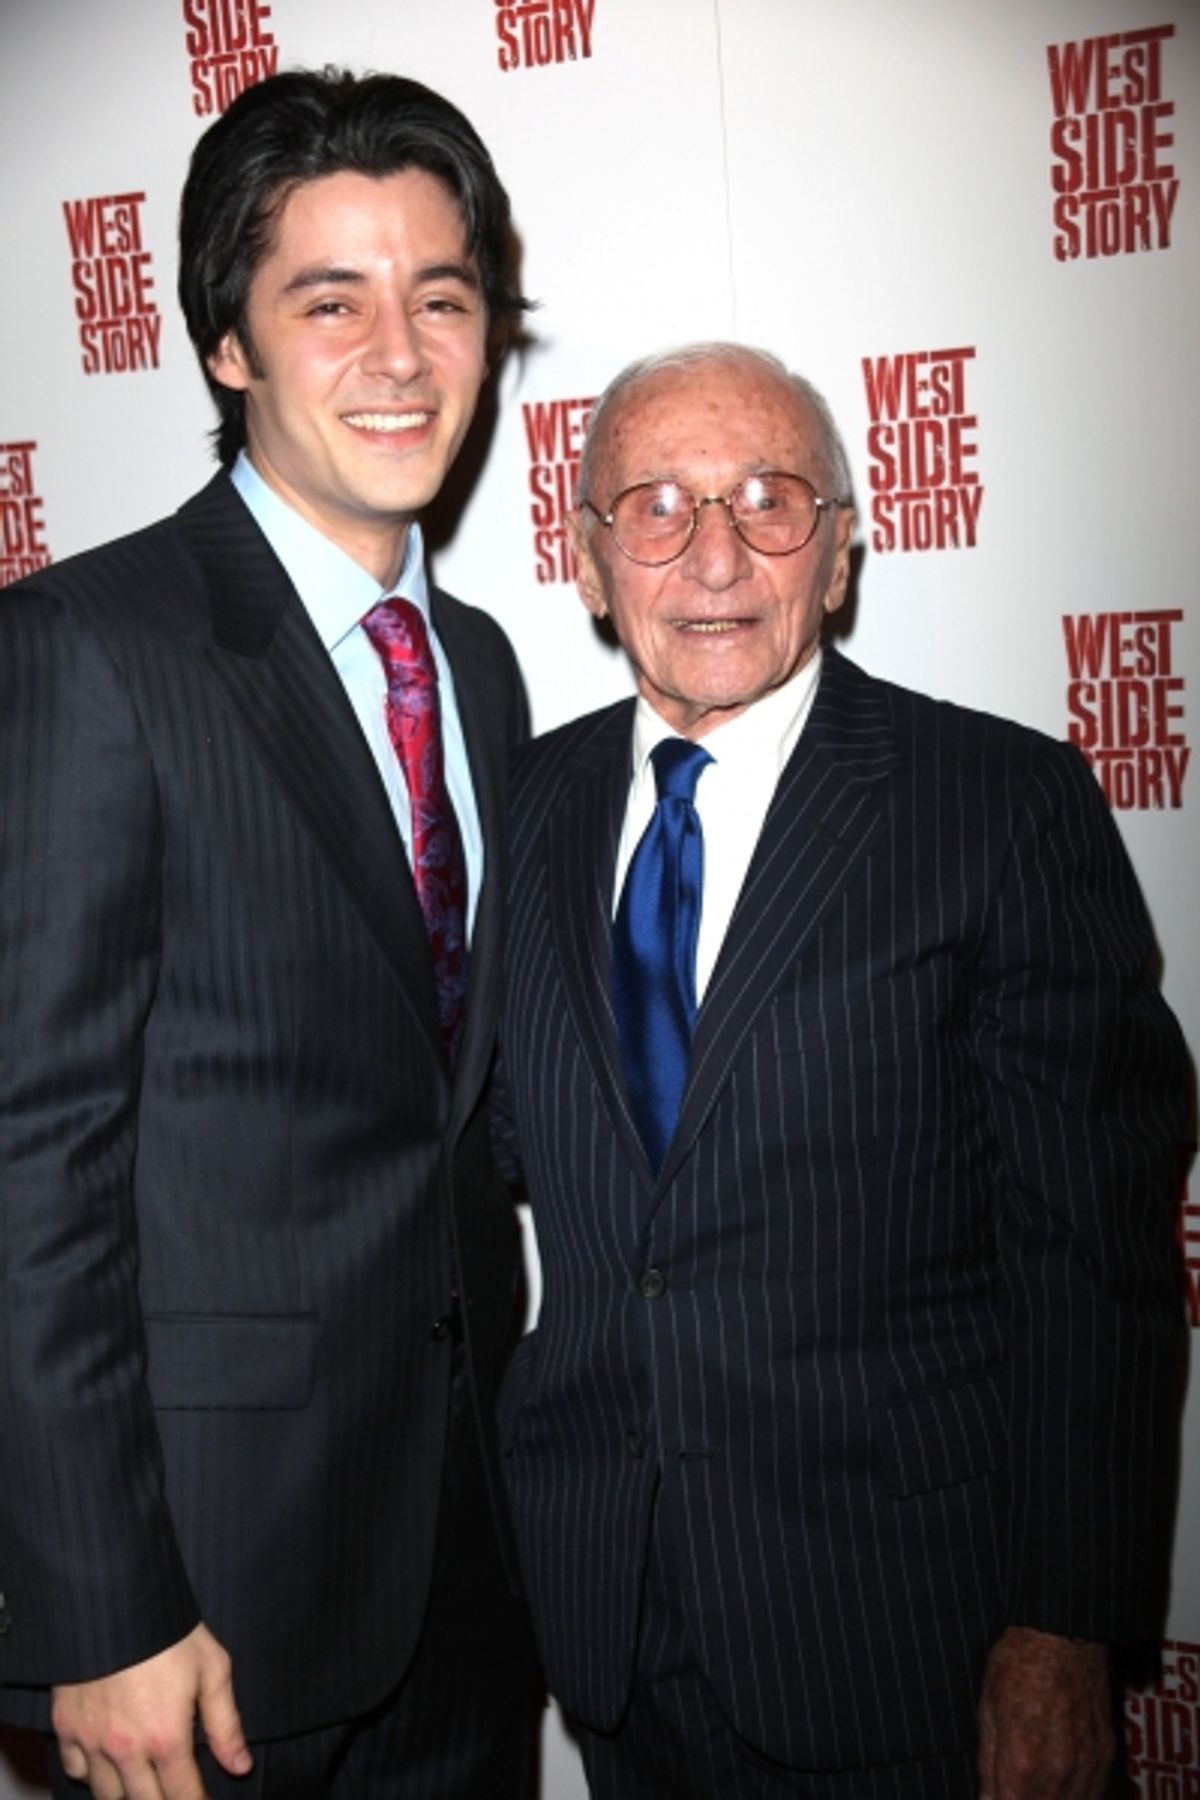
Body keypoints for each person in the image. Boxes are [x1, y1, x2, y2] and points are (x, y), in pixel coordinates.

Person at [493, 341, 1188, 1798]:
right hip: (611, 1624)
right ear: (588, 558)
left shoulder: (998, 805)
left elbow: (1094, 1258)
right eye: (658, 506)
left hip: (902, 1633)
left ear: (843, 544)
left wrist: (1062, 1631)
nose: (715, 555)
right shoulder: (527, 805)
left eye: (768, 498)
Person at [0, 67, 540, 1800]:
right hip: (207, 1611)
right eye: (331, 300)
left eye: (441, 296)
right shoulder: (93, 645)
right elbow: (31, 1155)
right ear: (227, 345)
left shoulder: (482, 670)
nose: (401, 352)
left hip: (471, 1562)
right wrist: (100, 1606)